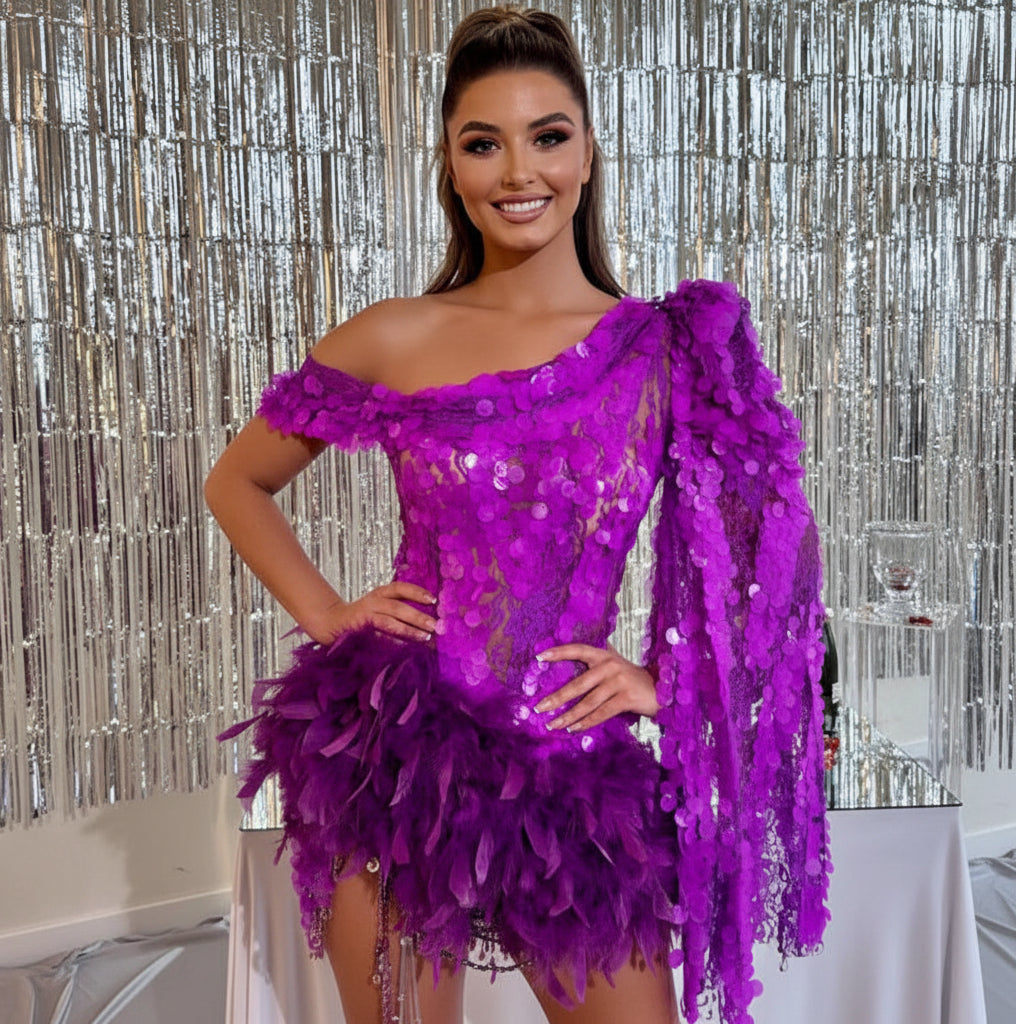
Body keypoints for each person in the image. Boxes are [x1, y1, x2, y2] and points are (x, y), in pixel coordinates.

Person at [206, 7, 831, 1024]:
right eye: (481, 143)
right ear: (450, 167)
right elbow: (235, 482)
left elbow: (777, 552)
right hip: (395, 757)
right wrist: (329, 615)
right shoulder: (394, 334)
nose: (516, 171)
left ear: (586, 152)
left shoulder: (667, 350)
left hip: (571, 767)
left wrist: (660, 682)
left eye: (546, 135)